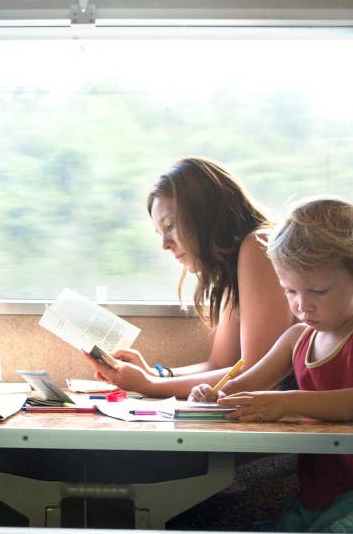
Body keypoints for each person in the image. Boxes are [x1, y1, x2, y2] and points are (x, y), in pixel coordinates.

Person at [189, 198, 353, 534]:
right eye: (290, 291)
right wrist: (213, 395)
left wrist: (284, 402)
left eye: (318, 291)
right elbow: (245, 383)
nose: (302, 305)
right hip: (320, 500)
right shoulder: (297, 338)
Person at [88, 157, 293, 398]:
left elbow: (256, 377)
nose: (165, 244)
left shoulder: (258, 246)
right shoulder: (233, 265)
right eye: (160, 232)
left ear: (204, 215)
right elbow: (219, 365)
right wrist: (157, 374)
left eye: (171, 225)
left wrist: (148, 385)